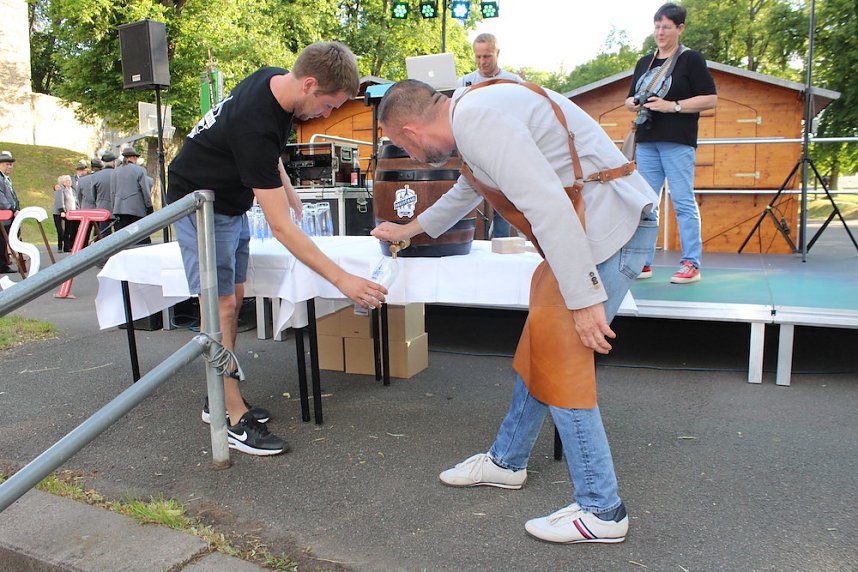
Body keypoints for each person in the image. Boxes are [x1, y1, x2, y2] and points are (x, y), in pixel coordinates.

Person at [371, 79, 658, 544]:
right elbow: (469, 189)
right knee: (542, 346)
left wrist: (584, 302)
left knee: (564, 362)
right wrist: (410, 230)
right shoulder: (472, 115)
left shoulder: (477, 119)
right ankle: (507, 461)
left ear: (410, 130)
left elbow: (547, 204)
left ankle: (602, 509)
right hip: (594, 231)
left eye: (400, 143)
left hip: (606, 232)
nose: (407, 152)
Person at [167, 41, 388, 457]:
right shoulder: (256, 123)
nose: (327, 115)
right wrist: (344, 281)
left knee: (233, 298)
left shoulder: (274, 81)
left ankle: (220, 395)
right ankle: (229, 416)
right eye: (328, 105)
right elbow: (282, 231)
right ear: (308, 83)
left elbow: (270, 155)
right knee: (221, 308)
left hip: (229, 201)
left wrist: (289, 191)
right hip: (197, 202)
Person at [626, 2, 717, 284]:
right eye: (657, 26)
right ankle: (643, 261)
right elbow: (630, 98)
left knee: (682, 201)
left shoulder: (691, 60)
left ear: (680, 29)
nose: (660, 32)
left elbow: (710, 99)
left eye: (666, 26)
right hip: (648, 139)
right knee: (646, 203)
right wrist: (634, 103)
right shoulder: (645, 62)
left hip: (678, 141)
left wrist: (672, 106)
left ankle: (691, 263)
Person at [457, 33, 523, 239]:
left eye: (487, 56)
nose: (481, 62)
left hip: (505, 151)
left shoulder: (514, 82)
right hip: (474, 151)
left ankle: (501, 244)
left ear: (497, 54)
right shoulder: (465, 81)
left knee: (504, 202)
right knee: (469, 196)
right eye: (478, 57)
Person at [112, 147, 153, 243]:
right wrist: (149, 206)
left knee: (123, 240)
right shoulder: (140, 170)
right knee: (141, 238)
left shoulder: (115, 172)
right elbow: (145, 191)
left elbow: (112, 191)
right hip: (136, 209)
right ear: (134, 157)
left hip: (119, 209)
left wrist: (114, 207)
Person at [0, 150, 21, 273]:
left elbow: (12, 196)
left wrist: (17, 207)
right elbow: (1, 198)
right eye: (7, 164)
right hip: (3, 215)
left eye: (10, 164)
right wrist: (12, 209)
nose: (10, 167)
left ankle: (4, 263)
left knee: (4, 240)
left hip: (8, 215)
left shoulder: (6, 179)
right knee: (2, 241)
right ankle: (2, 265)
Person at [90, 152, 117, 238]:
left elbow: (93, 194)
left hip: (102, 208)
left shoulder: (96, 176)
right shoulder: (118, 173)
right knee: (119, 234)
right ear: (113, 162)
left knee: (104, 234)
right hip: (117, 208)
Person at [77, 158, 103, 244]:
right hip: (99, 209)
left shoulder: (82, 180)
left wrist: (82, 206)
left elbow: (79, 196)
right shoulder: (102, 179)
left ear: (91, 168)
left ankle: (83, 249)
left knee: (85, 233)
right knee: (100, 232)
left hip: (86, 209)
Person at [57, 174, 79, 252]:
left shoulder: (72, 190)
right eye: (67, 181)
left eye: (70, 180)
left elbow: (76, 201)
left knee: (72, 230)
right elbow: (61, 201)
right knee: (66, 230)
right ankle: (65, 246)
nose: (69, 182)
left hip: (74, 211)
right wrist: (62, 211)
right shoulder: (62, 190)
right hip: (67, 212)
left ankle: (71, 245)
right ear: (64, 182)